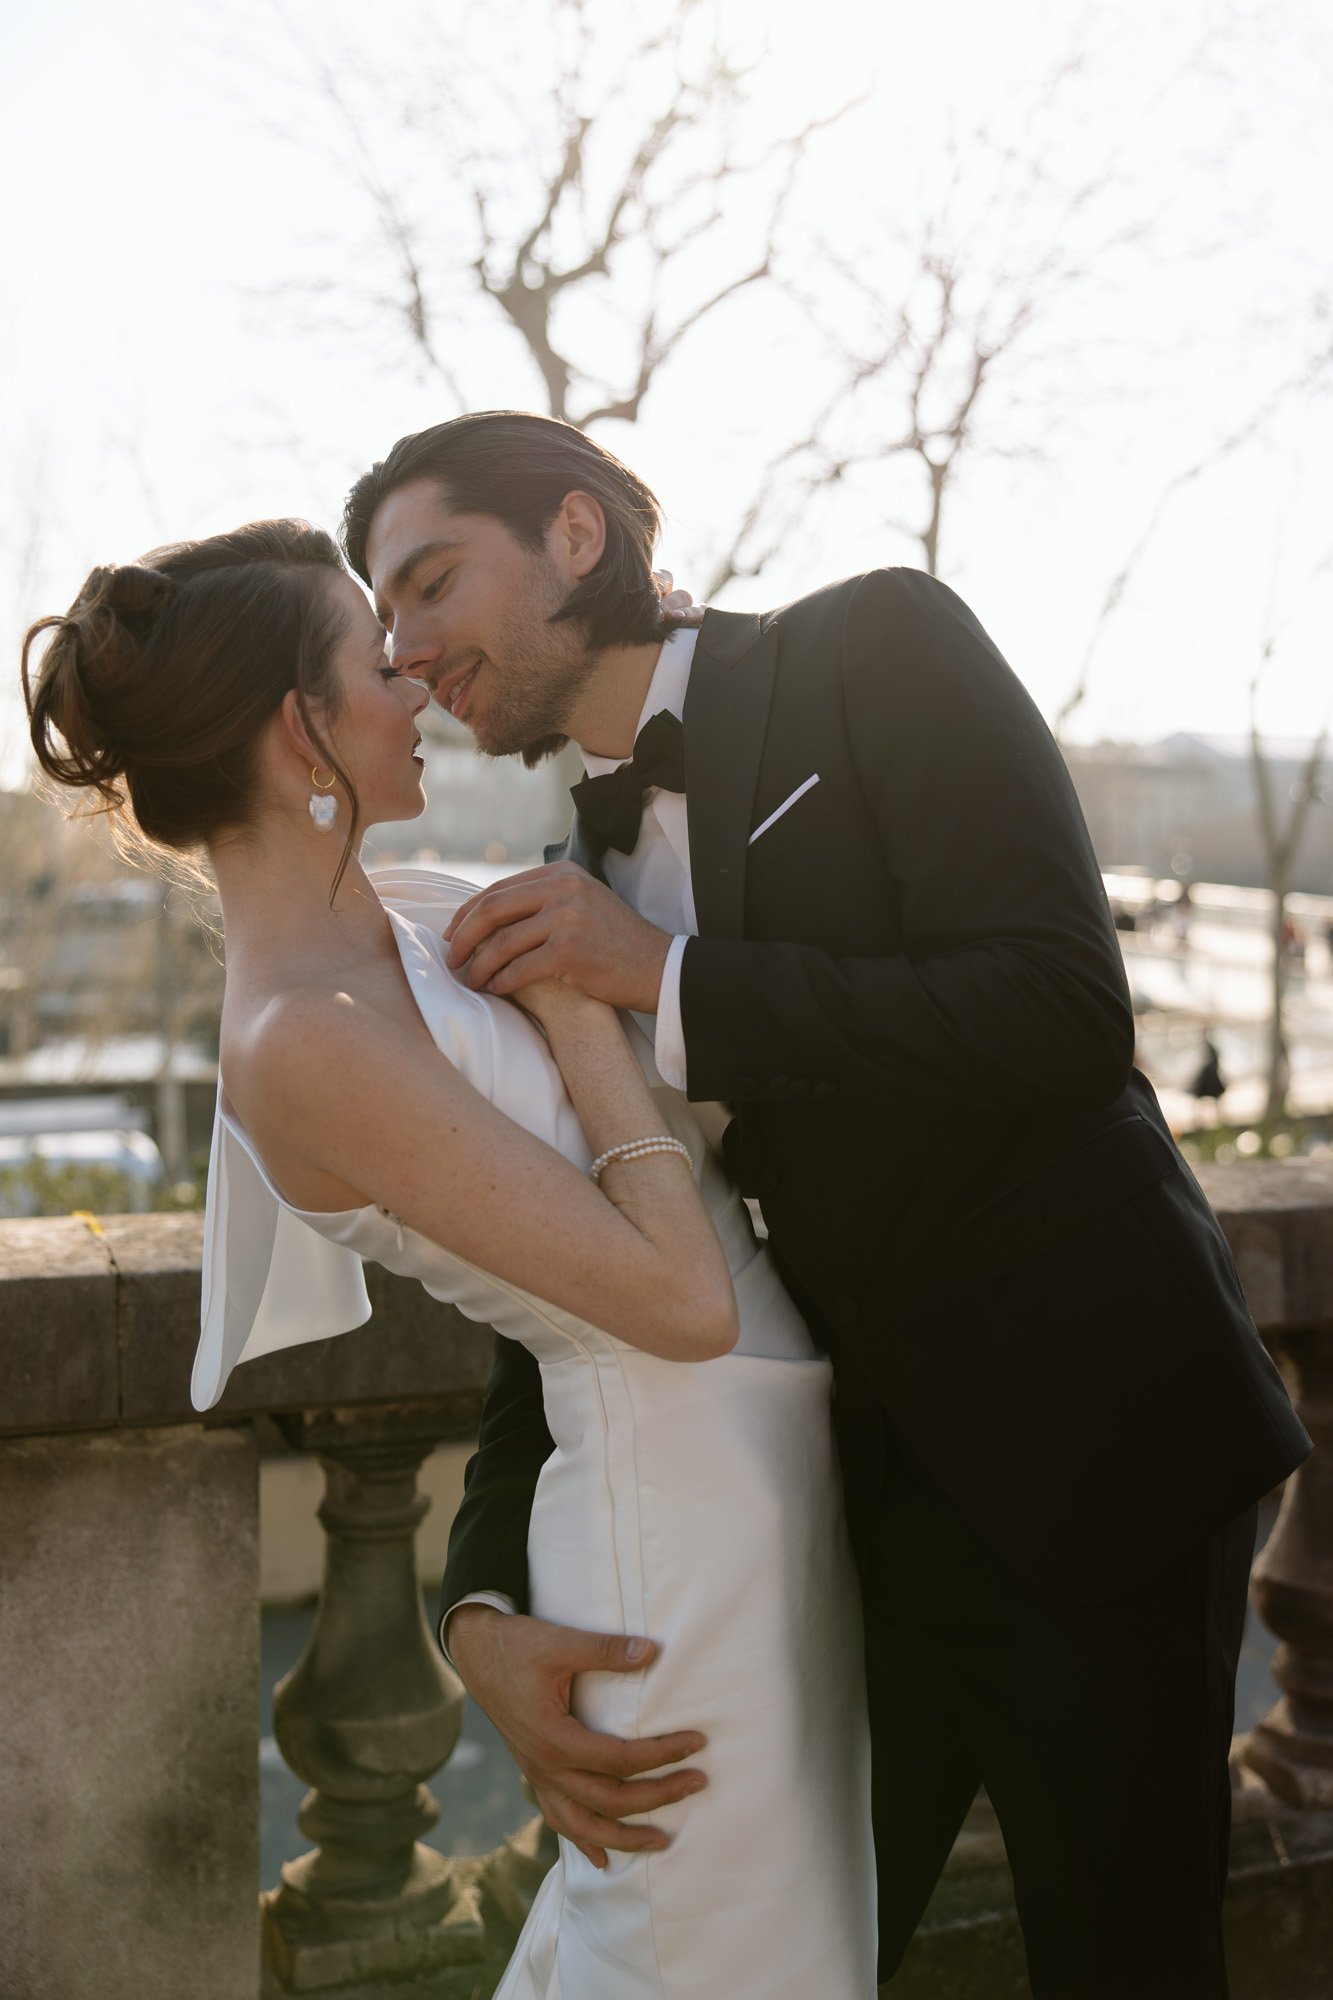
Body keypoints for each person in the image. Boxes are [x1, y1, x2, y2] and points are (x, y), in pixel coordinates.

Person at [342, 410, 1312, 2000]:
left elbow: (1062, 1012)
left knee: (1125, 1962)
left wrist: (662, 975)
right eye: (383, 617)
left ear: (575, 536)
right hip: (820, 1525)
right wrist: (479, 1594)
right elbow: (567, 1266)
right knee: (793, 1956)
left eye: (431, 581)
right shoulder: (549, 883)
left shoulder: (876, 647)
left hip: (1093, 1450)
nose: (407, 645)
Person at [21, 521, 876, 1999]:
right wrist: (576, 1017)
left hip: (764, 1491)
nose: (412, 679)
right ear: (304, 729)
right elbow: (673, 1301)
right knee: (707, 1958)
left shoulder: (410, 921)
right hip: (672, 1527)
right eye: (374, 657)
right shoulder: (302, 1043)